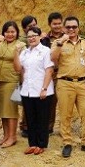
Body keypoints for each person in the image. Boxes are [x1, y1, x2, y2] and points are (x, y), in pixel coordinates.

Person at [50, 16, 85, 157]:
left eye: (74, 27)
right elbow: (53, 59)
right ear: (64, 28)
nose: (71, 29)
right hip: (65, 83)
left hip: (82, 82)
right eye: (68, 27)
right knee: (65, 114)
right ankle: (67, 142)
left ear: (78, 28)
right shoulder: (57, 43)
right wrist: (61, 43)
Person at [13, 25, 55, 154]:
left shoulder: (45, 51)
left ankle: (41, 144)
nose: (31, 38)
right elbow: (18, 68)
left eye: (34, 36)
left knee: (42, 119)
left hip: (42, 89)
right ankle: (32, 143)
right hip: (27, 90)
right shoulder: (25, 52)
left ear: (39, 37)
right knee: (30, 119)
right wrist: (15, 53)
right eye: (29, 36)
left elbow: (49, 70)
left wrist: (44, 88)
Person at [0, 20, 22, 148]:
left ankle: (12, 136)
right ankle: (6, 135)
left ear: (17, 33)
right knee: (2, 110)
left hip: (11, 80)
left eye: (12, 32)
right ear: (3, 33)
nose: (10, 34)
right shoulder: (0, 43)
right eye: (7, 32)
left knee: (10, 110)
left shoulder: (20, 45)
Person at [42, 12, 65, 135]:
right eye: (54, 24)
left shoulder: (67, 37)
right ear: (49, 24)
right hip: (50, 75)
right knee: (50, 102)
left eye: (59, 23)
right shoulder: (45, 39)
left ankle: (64, 129)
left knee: (65, 102)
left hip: (64, 73)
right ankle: (48, 128)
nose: (57, 26)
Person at [18, 15, 39, 137]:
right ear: (24, 29)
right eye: (30, 26)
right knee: (27, 102)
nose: (33, 27)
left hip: (37, 74)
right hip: (24, 75)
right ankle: (25, 126)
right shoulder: (22, 42)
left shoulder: (40, 38)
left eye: (35, 25)